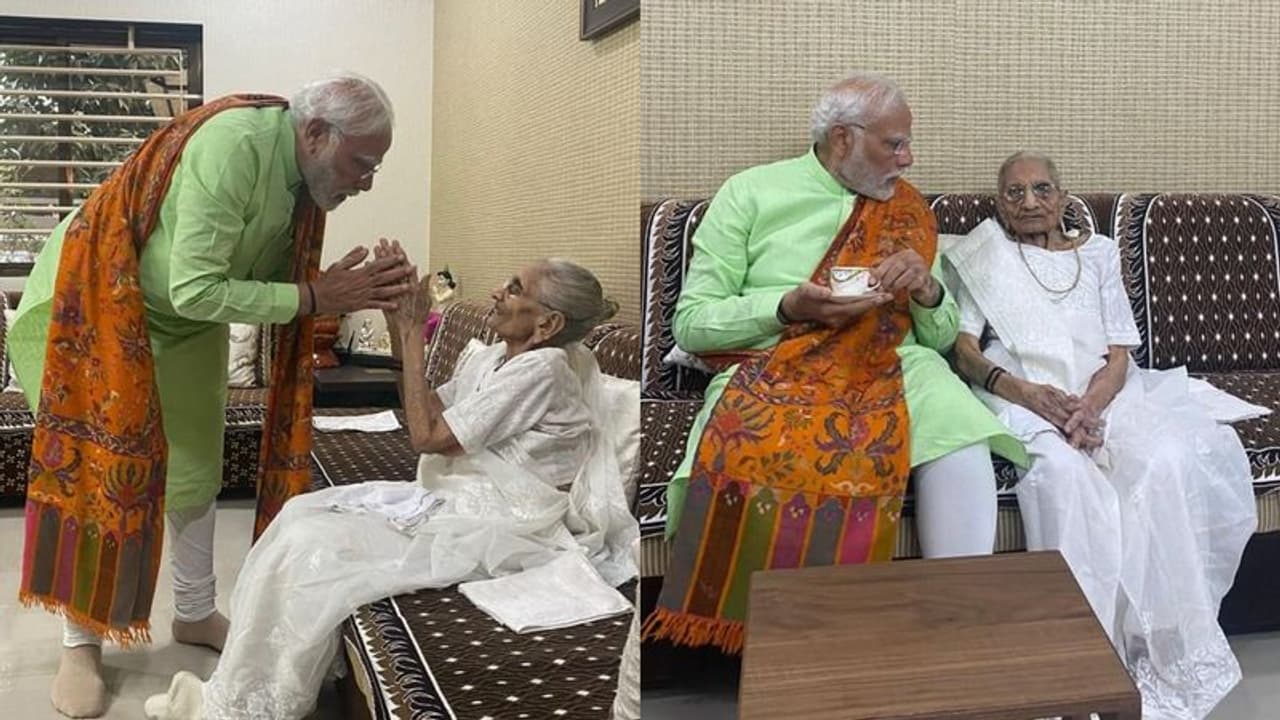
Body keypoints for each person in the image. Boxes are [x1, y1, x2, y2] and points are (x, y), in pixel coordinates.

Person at [8, 73, 414, 718]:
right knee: (99, 474)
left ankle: (195, 614)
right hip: (96, 307)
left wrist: (327, 287)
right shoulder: (232, 146)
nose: (367, 180)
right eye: (362, 162)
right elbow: (194, 286)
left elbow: (222, 286)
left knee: (196, 466)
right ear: (315, 134)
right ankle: (79, 639)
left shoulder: (301, 181)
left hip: (183, 322)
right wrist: (313, 297)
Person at [143, 252, 637, 719]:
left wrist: (413, 335)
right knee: (299, 517)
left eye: (514, 289)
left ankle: (260, 702)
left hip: (503, 517)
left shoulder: (544, 368)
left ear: (547, 324)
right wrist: (398, 326)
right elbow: (423, 409)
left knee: (314, 543)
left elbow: (427, 438)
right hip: (459, 497)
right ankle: (250, 688)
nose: (496, 291)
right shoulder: (495, 359)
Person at [643, 73, 1025, 653]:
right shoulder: (750, 192)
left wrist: (927, 290)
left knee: (959, 435)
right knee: (755, 445)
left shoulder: (909, 209)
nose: (908, 157)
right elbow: (692, 324)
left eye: (907, 143)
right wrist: (786, 306)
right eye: (893, 144)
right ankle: (798, 654)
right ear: (843, 138)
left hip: (892, 358)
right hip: (777, 360)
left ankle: (954, 634)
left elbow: (944, 337)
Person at [944, 151, 1258, 719]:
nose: (1030, 202)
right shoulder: (985, 255)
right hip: (1019, 391)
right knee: (1065, 478)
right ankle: (1076, 657)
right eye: (1014, 193)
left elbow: (1119, 353)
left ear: (1064, 198)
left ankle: (1150, 643)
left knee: (1163, 461)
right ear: (999, 204)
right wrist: (1030, 395)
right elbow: (964, 350)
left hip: (1104, 392)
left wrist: (1089, 406)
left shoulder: (1100, 254)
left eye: (1042, 189)